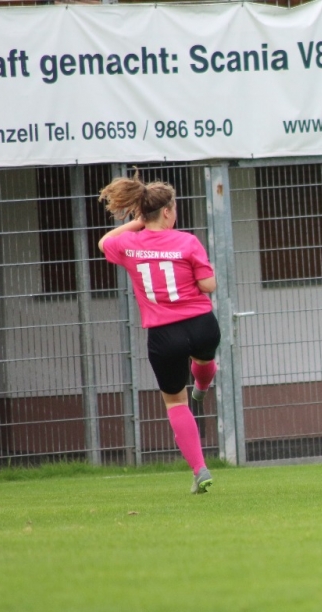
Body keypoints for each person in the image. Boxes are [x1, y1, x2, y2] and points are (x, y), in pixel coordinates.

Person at [98, 172, 221, 494]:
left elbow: (104, 242)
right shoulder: (187, 241)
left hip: (164, 335)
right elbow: (208, 285)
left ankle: (200, 470)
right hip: (201, 324)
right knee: (204, 358)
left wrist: (139, 223)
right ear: (167, 211)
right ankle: (203, 384)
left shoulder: (129, 244)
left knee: (175, 402)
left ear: (143, 213)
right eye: (174, 208)